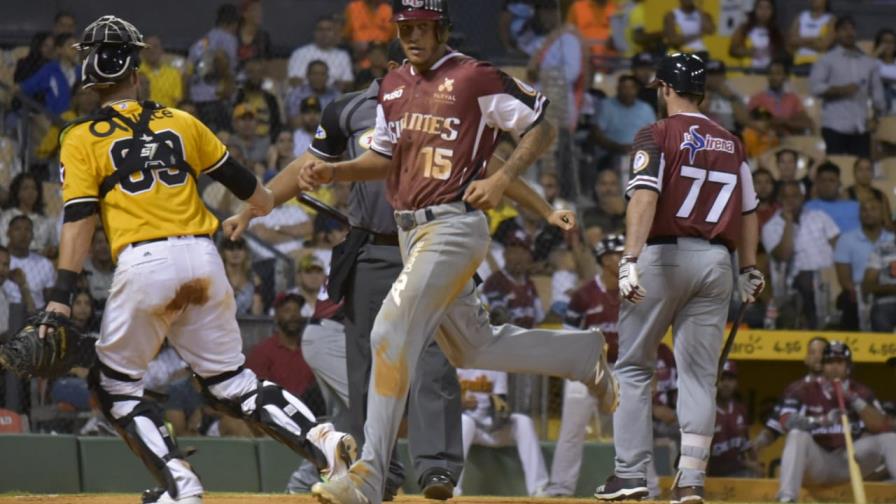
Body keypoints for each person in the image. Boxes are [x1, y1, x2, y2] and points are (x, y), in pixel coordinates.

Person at [287, 2, 617, 502]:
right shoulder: (394, 85)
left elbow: (540, 127)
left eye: (422, 28)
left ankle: (370, 477)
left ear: (441, 30)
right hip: (408, 231)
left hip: (453, 227)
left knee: (388, 330)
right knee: (473, 346)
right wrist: (336, 172)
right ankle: (584, 354)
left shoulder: (474, 76)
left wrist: (504, 179)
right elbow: (383, 158)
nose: (413, 37)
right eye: (405, 29)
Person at [48, 16, 356, 504]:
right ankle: (323, 439)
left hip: (144, 262)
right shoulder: (180, 120)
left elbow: (80, 221)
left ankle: (182, 485)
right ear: (135, 68)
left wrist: (60, 298)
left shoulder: (81, 136)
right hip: (202, 256)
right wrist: (249, 215)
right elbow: (254, 191)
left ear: (89, 71)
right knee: (232, 382)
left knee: (115, 390)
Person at [594, 53, 764, 502]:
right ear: (702, 92)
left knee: (632, 367)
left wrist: (628, 258)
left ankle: (630, 473)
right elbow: (749, 211)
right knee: (699, 376)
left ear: (665, 89)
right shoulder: (732, 141)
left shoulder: (655, 133)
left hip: (664, 255)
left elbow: (644, 198)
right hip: (716, 263)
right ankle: (690, 479)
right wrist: (748, 267)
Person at [545, 234, 623, 497]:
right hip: (586, 368)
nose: (623, 259)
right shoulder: (583, 295)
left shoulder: (633, 292)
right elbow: (569, 336)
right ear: (604, 259)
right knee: (571, 431)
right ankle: (560, 488)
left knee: (632, 429)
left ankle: (648, 486)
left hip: (620, 368)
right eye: (617, 254)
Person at [776, 341, 896, 502]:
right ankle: (787, 498)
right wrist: (819, 421)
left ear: (848, 367)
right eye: (830, 362)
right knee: (797, 435)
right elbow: (785, 421)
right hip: (819, 463)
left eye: (839, 362)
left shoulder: (861, 391)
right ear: (823, 366)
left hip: (850, 460)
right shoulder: (804, 389)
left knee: (890, 439)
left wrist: (854, 400)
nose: (834, 367)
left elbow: (882, 426)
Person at [455, 368, 549, 497]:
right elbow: (442, 402)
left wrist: (502, 413)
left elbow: (501, 401)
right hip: (471, 429)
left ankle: (539, 488)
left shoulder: (495, 366)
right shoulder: (456, 363)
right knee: (464, 421)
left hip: (494, 429)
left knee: (523, 422)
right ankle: (453, 487)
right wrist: (459, 404)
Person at [762, 181, 839, 330]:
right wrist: (789, 222)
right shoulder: (771, 226)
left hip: (829, 275)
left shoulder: (819, 216)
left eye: (795, 196)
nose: (791, 200)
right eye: (786, 197)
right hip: (796, 281)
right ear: (779, 199)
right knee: (807, 279)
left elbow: (838, 246)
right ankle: (815, 327)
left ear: (802, 197)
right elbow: (784, 255)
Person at [810, 16, 886, 158]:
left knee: (862, 167)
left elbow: (878, 96)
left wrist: (877, 116)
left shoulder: (868, 62)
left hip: (860, 128)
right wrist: (841, 90)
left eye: (852, 28)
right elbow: (816, 88)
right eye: (844, 29)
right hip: (834, 126)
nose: (849, 32)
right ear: (836, 33)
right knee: (835, 166)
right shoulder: (827, 60)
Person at [751, 337, 828, 457]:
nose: (818, 357)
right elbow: (774, 428)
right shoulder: (795, 390)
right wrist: (757, 444)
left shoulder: (842, 388)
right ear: (806, 359)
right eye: (813, 352)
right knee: (796, 433)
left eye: (822, 352)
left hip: (836, 452)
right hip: (807, 452)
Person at [246, 293, 318, 403]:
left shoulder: (310, 350)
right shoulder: (262, 352)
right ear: (276, 316)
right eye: (287, 310)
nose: (293, 315)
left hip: (311, 411)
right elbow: (256, 394)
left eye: (297, 310)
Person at [834, 198, 891, 330]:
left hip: (888, 290)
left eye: (873, 209)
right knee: (850, 303)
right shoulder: (846, 240)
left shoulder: (892, 240)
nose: (868, 213)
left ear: (883, 214)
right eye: (864, 210)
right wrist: (861, 293)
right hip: (856, 291)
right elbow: (844, 280)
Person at [187, 4, 239, 131]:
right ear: (232, 23)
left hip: (196, 99)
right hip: (215, 98)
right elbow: (228, 70)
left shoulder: (199, 43)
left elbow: (187, 71)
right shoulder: (228, 39)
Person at [481, 230, 543, 328]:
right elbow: (499, 318)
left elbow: (539, 320)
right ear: (504, 254)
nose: (518, 258)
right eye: (514, 252)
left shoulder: (530, 284)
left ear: (530, 257)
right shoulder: (495, 281)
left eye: (523, 252)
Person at [708, 361, 758, 478]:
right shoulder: (706, 411)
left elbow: (746, 446)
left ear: (736, 383)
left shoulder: (740, 410)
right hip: (712, 474)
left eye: (730, 379)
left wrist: (755, 465)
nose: (726, 384)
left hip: (736, 472)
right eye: (722, 379)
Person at [592, 74, 656, 161]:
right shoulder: (606, 105)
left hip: (640, 156)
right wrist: (617, 147)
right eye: (624, 87)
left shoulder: (646, 108)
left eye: (631, 88)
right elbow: (596, 133)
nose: (627, 91)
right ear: (617, 89)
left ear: (637, 90)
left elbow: (654, 134)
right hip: (610, 155)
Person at [747, 60, 814, 136]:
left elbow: (806, 123)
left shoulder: (793, 98)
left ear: (786, 77)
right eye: (770, 73)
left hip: (789, 142)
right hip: (765, 141)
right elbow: (755, 122)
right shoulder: (757, 99)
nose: (773, 77)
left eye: (778, 73)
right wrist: (785, 122)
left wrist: (785, 122)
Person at [287, 17, 354, 91]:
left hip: (333, 97)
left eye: (329, 30)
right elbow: (294, 81)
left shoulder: (343, 56)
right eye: (320, 29)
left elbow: (348, 82)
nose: (324, 33)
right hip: (305, 96)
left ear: (335, 33)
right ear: (314, 32)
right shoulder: (300, 53)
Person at [0, 172, 57, 255]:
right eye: (25, 188)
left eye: (34, 188)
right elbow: (4, 242)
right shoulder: (6, 217)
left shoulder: (46, 222)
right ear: (17, 192)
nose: (30, 192)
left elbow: (53, 245)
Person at [17, 33, 72, 116]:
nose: (50, 49)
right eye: (46, 46)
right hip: (46, 117)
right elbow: (24, 88)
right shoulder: (48, 69)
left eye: (52, 46)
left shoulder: (78, 70)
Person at [6, 215, 54, 309]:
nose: (23, 234)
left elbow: (50, 299)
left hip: (35, 315)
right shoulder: (2, 260)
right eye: (17, 229)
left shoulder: (45, 264)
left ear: (32, 235)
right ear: (8, 233)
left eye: (27, 230)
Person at [234, 58, 282, 141]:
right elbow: (235, 121)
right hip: (243, 141)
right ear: (245, 74)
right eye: (251, 72)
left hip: (266, 140)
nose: (255, 76)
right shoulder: (240, 97)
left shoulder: (270, 99)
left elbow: (276, 124)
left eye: (258, 72)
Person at [804, 162, 859, 233]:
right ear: (817, 183)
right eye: (823, 181)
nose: (827, 185)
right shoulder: (808, 208)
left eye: (832, 181)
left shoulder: (855, 207)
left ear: (839, 183)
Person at [728, 0, 784, 70]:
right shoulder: (744, 29)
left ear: (772, 11)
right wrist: (749, 52)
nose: (764, 12)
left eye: (768, 8)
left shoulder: (777, 33)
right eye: (760, 8)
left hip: (769, 72)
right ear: (754, 10)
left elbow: (782, 54)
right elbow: (733, 50)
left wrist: (771, 52)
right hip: (747, 71)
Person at [700, 60, 749, 134]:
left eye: (718, 74)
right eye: (711, 74)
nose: (715, 78)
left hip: (729, 133)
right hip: (704, 133)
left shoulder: (732, 93)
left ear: (724, 75)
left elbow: (743, 121)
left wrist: (731, 97)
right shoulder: (698, 92)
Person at [219, 237, 263, 316]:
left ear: (246, 252)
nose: (235, 252)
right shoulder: (218, 277)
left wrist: (257, 289)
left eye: (239, 247)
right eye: (230, 247)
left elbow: (257, 314)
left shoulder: (253, 278)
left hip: (247, 324)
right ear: (223, 252)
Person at [844, 158, 893, 229]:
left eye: (868, 169)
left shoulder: (881, 196)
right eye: (860, 169)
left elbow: (887, 223)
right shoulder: (846, 194)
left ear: (873, 173)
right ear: (854, 173)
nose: (865, 173)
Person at [862, 231, 896, 332]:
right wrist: (890, 288)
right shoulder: (881, 249)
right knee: (880, 314)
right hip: (886, 303)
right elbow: (868, 286)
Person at [139, 36, 184, 108]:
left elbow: (177, 100)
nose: (152, 50)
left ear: (162, 50)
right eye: (148, 47)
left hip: (168, 115)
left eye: (155, 47)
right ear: (142, 51)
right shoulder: (135, 73)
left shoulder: (173, 74)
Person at [788, 0, 834, 68]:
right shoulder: (801, 16)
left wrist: (799, 41)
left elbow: (824, 45)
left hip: (820, 64)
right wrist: (815, 39)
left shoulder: (830, 19)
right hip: (799, 63)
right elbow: (791, 40)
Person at [82, 227, 115, 308]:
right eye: (99, 242)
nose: (104, 246)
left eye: (107, 242)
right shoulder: (82, 269)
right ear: (91, 246)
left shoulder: (122, 268)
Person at [236, 0, 272, 64]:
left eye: (260, 10)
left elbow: (268, 62)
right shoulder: (234, 35)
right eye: (255, 10)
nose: (259, 14)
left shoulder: (264, 37)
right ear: (245, 14)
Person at [875, 28, 896, 115]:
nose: (888, 45)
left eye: (892, 42)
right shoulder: (875, 63)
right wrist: (876, 53)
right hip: (879, 105)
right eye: (885, 42)